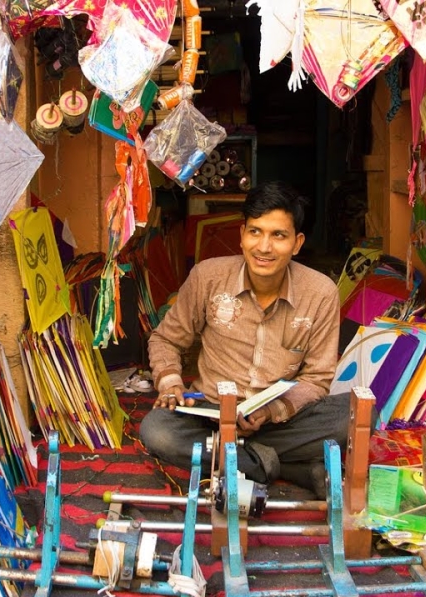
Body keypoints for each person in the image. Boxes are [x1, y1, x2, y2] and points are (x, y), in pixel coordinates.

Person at [140, 181, 355, 499]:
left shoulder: (320, 292)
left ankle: (241, 458)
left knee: (351, 416)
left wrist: (269, 412)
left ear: (297, 244)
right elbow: (166, 340)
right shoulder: (208, 277)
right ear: (242, 235)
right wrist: (171, 382)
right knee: (156, 431)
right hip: (211, 414)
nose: (264, 247)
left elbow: (317, 378)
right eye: (255, 232)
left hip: (280, 417)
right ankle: (280, 466)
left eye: (278, 235)